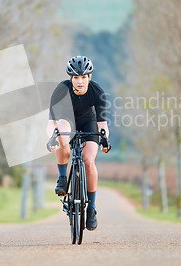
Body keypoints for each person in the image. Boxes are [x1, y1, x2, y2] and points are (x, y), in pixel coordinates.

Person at [46, 55, 110, 231]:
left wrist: (104, 138)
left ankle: (91, 209)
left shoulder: (97, 91)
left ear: (89, 77)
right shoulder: (61, 91)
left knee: (88, 161)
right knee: (61, 134)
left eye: (83, 77)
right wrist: (52, 137)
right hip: (67, 121)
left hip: (89, 122)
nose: (80, 81)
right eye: (76, 77)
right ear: (70, 78)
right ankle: (62, 177)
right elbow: (51, 122)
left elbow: (102, 124)